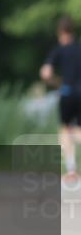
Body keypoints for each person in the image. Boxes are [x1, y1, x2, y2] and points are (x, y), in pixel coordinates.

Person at [40, 16, 81, 181]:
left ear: (60, 32)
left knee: (65, 130)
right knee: (78, 129)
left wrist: (56, 82)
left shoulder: (58, 50)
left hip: (67, 92)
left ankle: (71, 170)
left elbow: (46, 73)